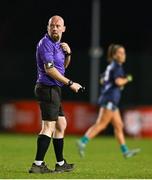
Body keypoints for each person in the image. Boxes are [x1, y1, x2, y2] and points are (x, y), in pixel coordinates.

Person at [29, 15, 82, 173]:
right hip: (47, 88)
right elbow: (50, 70)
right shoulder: (45, 43)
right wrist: (71, 83)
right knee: (48, 127)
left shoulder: (58, 45)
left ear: (63, 29)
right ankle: (37, 165)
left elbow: (62, 68)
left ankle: (60, 164)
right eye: (52, 25)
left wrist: (68, 54)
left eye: (58, 26)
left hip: (54, 89)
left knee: (61, 125)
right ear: (47, 27)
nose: (55, 28)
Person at [77, 44, 140, 158]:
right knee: (101, 125)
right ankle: (83, 141)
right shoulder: (116, 66)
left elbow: (102, 79)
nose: (123, 55)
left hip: (111, 100)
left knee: (119, 125)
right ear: (115, 55)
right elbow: (118, 82)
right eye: (121, 53)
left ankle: (125, 151)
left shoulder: (111, 66)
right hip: (110, 99)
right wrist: (127, 79)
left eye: (124, 52)